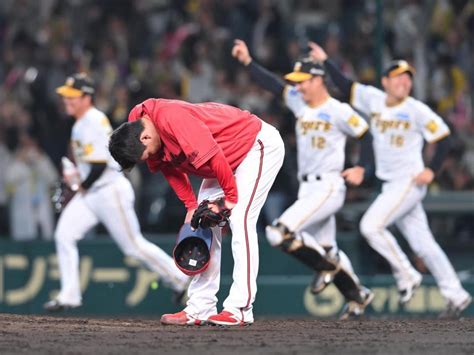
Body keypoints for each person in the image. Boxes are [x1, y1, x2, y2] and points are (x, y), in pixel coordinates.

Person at [309, 42, 472, 318]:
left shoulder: (417, 109)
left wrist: (432, 169)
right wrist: (326, 62)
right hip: (392, 184)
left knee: (370, 226)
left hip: (407, 182)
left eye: (408, 77)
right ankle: (456, 295)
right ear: (385, 81)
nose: (404, 82)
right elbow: (346, 86)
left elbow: (443, 138)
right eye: (398, 77)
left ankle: (407, 275)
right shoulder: (372, 98)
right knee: (424, 244)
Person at [109, 97, 284, 326]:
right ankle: (200, 307)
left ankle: (240, 308)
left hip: (255, 145)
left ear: (145, 137)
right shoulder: (138, 125)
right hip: (222, 159)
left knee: (240, 219)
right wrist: (191, 206)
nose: (148, 159)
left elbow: (214, 157)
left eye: (145, 154)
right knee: (202, 222)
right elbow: (167, 167)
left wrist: (229, 201)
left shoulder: (173, 119)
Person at [232, 39, 374, 319]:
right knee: (327, 248)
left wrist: (362, 169)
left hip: (329, 185)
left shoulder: (338, 110)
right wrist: (248, 62)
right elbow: (273, 84)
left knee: (279, 233)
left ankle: (325, 267)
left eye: (304, 81)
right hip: (307, 187)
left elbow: (367, 135)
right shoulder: (299, 102)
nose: (298, 86)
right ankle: (357, 294)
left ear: (319, 79)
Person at [44, 73, 189, 312]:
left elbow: (101, 164)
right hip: (91, 193)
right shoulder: (80, 123)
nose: (67, 101)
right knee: (64, 235)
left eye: (72, 97)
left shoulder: (94, 119)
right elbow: (89, 164)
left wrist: (80, 185)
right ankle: (69, 294)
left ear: (86, 97)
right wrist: (75, 176)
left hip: (110, 190)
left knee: (133, 246)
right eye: (66, 96)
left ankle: (179, 278)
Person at [6, 133, 57, 241]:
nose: (30, 150)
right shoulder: (15, 162)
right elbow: (9, 179)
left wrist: (40, 160)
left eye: (31, 145)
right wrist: (20, 161)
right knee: (22, 236)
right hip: (22, 206)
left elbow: (53, 178)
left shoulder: (43, 160)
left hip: (42, 205)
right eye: (26, 146)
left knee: (46, 235)